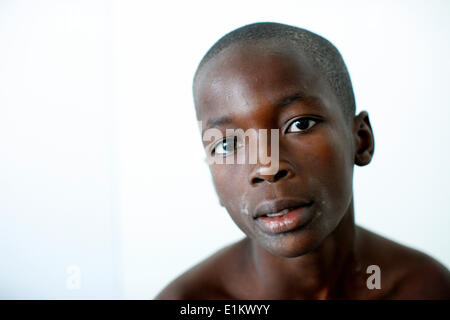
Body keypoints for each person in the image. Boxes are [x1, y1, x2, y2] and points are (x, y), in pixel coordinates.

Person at [155, 22, 450, 299]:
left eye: (300, 124)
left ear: (361, 140)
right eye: (228, 144)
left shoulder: (426, 287)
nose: (267, 168)